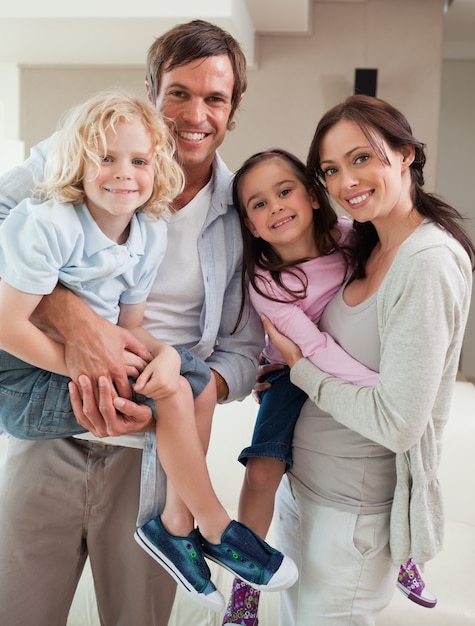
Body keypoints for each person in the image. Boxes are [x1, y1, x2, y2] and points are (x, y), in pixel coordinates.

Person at [0, 20, 267, 626]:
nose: (194, 114)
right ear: (152, 90)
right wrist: (71, 319)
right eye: (178, 92)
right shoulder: (81, 152)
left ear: (234, 106)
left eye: (215, 97)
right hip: (47, 426)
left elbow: (244, 352)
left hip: (151, 452)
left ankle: (199, 522)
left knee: (137, 617)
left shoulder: (246, 207)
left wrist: (170, 398)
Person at [258, 94, 475, 626]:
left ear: (404, 154)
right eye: (331, 169)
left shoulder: (427, 263)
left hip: (350, 512)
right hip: (305, 488)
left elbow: (400, 423)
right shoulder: (362, 241)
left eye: (361, 158)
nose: (346, 181)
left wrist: (301, 370)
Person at [222, 149, 435, 625]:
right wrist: (377, 386)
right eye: (258, 204)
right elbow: (311, 348)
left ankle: (403, 554)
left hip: (347, 360)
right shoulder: (266, 281)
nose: (275, 206)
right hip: (290, 371)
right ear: (251, 227)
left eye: (284, 191)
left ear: (313, 197)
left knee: (396, 448)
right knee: (261, 469)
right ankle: (245, 581)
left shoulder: (349, 239)